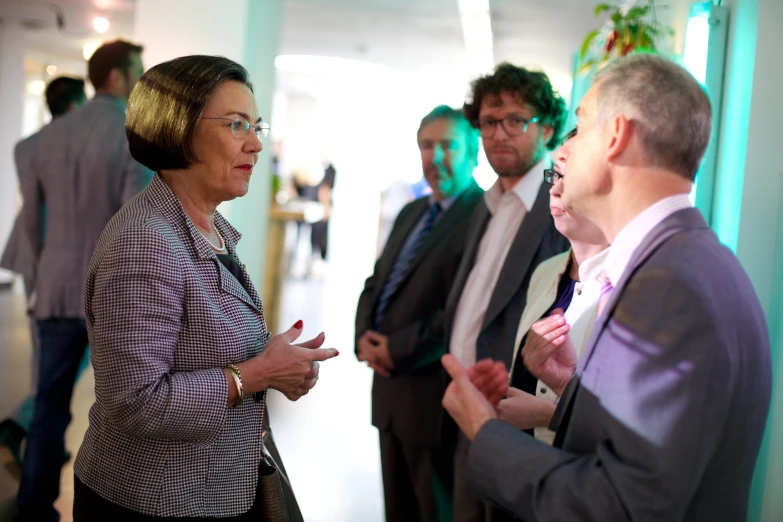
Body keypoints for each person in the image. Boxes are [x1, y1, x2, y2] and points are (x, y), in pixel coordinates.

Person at [441, 54, 772, 522]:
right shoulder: (685, 261)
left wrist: (485, 430)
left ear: (615, 136)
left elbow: (620, 505)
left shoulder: (667, 287)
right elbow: (654, 457)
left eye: (581, 125)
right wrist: (570, 390)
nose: (562, 152)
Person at [71, 54, 339, 520]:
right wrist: (256, 375)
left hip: (206, 486)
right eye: (237, 125)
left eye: (257, 126)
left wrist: (276, 363)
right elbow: (136, 402)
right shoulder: (146, 243)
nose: (256, 144)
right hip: (151, 500)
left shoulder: (203, 224)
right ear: (178, 128)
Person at [15, 40, 153, 522]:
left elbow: (32, 223)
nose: (141, 79)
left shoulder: (45, 138)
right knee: (123, 408)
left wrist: (47, 267)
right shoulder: (130, 134)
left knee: (50, 404)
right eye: (137, 71)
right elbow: (132, 223)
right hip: (108, 295)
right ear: (116, 76)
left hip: (54, 287)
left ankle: (33, 506)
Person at [443, 63, 570, 522]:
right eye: (489, 122)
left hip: (515, 411)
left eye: (516, 120)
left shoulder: (559, 204)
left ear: (548, 126)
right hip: (464, 400)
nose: (499, 134)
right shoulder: (486, 201)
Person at [355, 105, 484, 522]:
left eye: (449, 145)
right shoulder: (413, 211)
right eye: (427, 146)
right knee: (397, 510)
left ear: (472, 153)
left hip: (432, 400)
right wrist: (364, 337)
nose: (436, 157)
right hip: (390, 396)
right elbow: (378, 280)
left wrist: (397, 348)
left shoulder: (482, 216)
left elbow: (462, 309)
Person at [498, 129, 609, 446]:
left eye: (570, 179)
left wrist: (547, 416)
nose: (555, 190)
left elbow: (628, 425)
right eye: (555, 175)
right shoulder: (546, 272)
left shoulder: (627, 285)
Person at [0, 76, 87, 469]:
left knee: (47, 352)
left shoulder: (28, 145)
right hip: (56, 254)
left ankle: (36, 433)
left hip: (39, 252)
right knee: (59, 354)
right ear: (73, 106)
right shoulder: (76, 142)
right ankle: (29, 427)